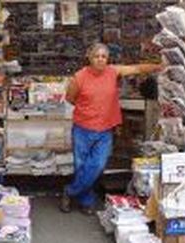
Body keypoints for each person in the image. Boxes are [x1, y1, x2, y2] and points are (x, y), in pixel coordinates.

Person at [60, 43, 163, 215]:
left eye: (104, 56)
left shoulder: (113, 71)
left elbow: (136, 68)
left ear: (107, 59)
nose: (100, 59)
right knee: (82, 166)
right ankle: (86, 201)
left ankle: (69, 191)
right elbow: (71, 98)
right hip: (83, 128)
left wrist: (159, 66)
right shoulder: (79, 77)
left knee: (97, 166)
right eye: (97, 56)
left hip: (105, 129)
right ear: (89, 57)